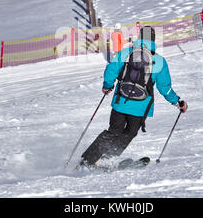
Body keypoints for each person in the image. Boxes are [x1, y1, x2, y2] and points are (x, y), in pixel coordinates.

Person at [79, 26, 188, 168]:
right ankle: (107, 158)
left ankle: (87, 160)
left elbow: (111, 69)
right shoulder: (159, 61)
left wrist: (107, 85)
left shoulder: (125, 53)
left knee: (113, 131)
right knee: (129, 132)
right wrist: (177, 101)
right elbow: (164, 88)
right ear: (154, 39)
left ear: (139, 37)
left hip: (120, 101)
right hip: (140, 106)